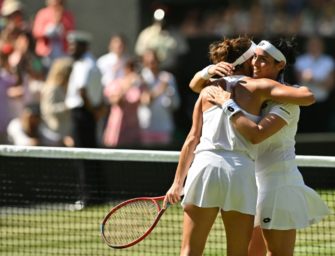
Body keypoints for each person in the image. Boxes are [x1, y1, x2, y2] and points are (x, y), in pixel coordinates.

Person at [164, 36, 316, 256]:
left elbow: (191, 139)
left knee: (189, 251)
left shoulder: (206, 90)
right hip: (239, 171)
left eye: (261, 59)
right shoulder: (260, 86)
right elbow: (308, 96)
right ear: (246, 62)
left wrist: (177, 184)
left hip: (204, 167)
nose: (256, 63)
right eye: (254, 58)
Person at [64, 30, 104, 148]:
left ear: (83, 46)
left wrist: (92, 111)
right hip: (88, 111)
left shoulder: (84, 64)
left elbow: (82, 90)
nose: (70, 48)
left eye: (73, 45)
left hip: (83, 112)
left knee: (82, 150)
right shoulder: (91, 62)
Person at [138, 49, 180, 149]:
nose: (151, 64)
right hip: (145, 126)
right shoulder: (141, 77)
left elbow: (176, 103)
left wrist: (169, 97)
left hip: (164, 126)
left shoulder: (168, 77)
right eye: (148, 62)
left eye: (153, 61)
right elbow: (145, 101)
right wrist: (161, 89)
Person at [294, 35, 335, 133]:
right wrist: (321, 81)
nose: (314, 46)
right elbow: (301, 80)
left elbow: (329, 85)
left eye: (317, 44)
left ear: (322, 46)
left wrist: (312, 79)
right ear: (307, 46)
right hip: (305, 104)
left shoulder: (328, 61)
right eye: (312, 44)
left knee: (322, 130)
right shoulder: (301, 60)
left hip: (323, 103)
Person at [102, 58, 144, 148]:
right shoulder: (116, 83)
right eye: (130, 68)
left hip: (132, 127)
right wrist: (127, 86)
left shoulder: (139, 86)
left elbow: (144, 100)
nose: (132, 71)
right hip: (117, 127)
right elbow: (116, 101)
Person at [40, 57, 73, 146]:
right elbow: (48, 109)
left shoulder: (65, 88)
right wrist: (67, 106)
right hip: (54, 134)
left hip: (64, 132)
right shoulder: (52, 88)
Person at [32, 0, 75, 69]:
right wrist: (50, 29)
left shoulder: (68, 15)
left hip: (63, 55)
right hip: (46, 55)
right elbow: (36, 32)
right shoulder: (42, 14)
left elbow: (71, 34)